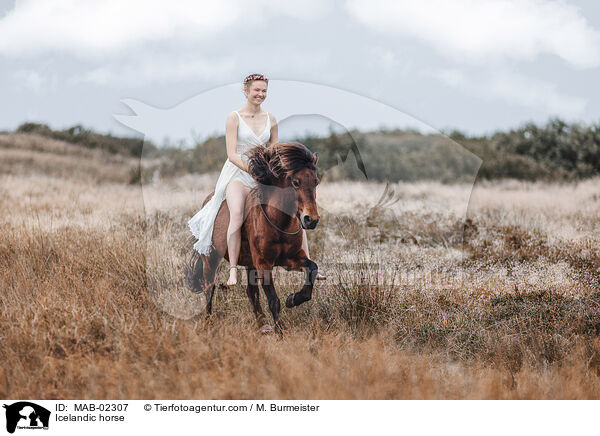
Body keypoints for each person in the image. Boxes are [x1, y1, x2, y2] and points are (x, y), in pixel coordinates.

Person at [188, 73, 326, 285]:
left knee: (291, 208)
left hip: (264, 175)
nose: (260, 94)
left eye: (264, 91)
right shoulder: (233, 117)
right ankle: (233, 269)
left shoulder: (270, 119)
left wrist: (278, 171)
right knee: (236, 212)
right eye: (257, 90)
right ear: (246, 90)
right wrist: (251, 169)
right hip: (238, 174)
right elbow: (231, 154)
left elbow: (274, 150)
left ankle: (306, 261)